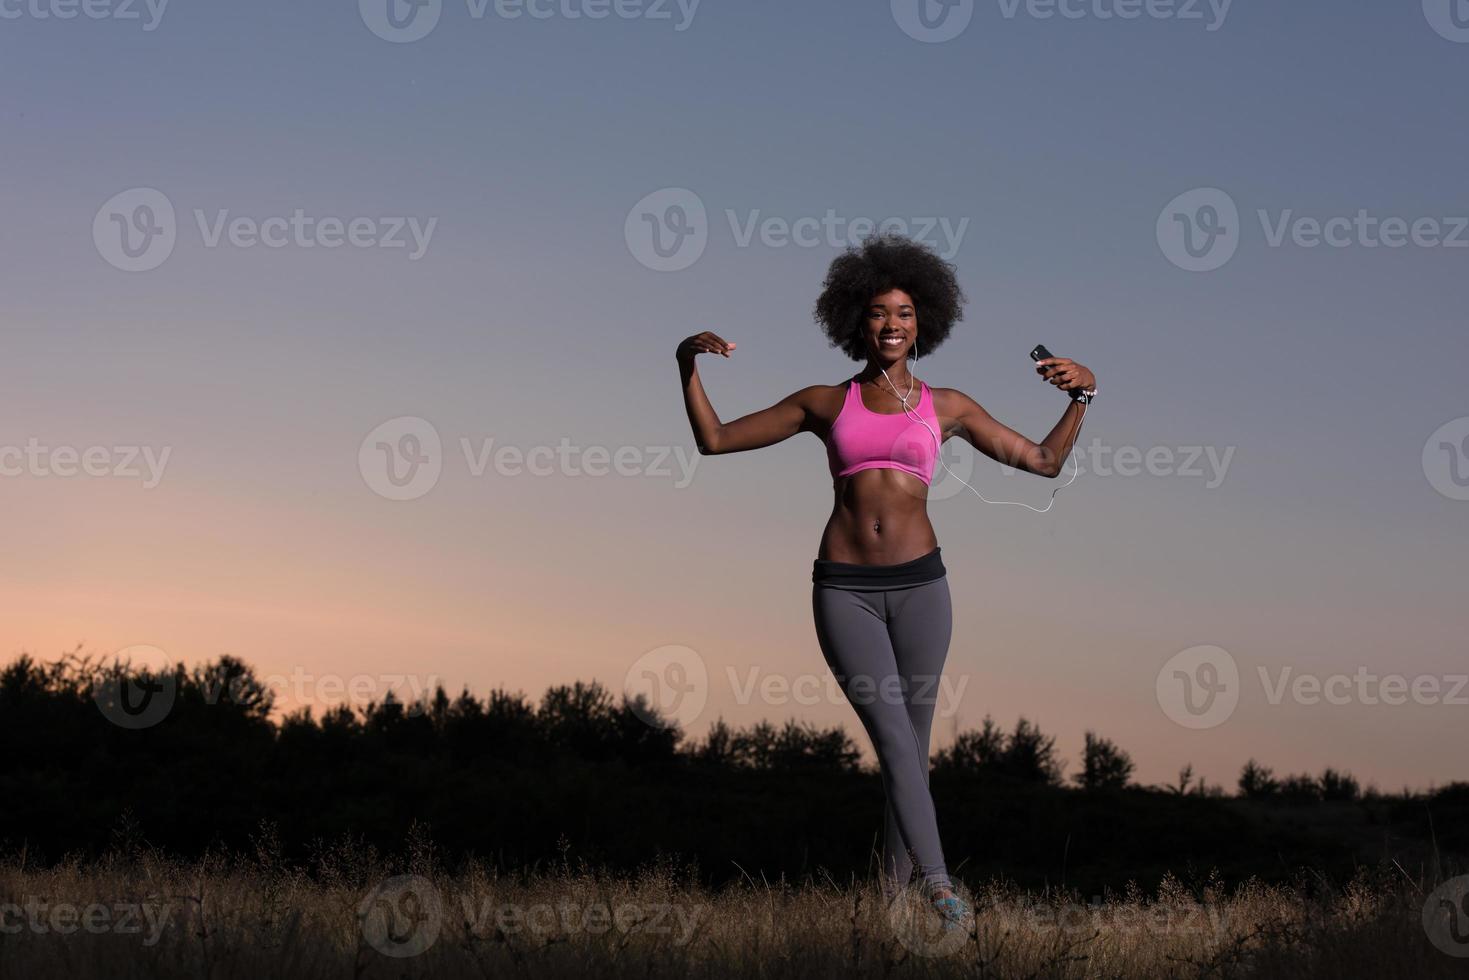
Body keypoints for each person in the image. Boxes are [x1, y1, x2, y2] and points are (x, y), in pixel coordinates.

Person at [674, 232, 1096, 925]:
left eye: (903, 312)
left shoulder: (949, 407)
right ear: (854, 322)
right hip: (844, 591)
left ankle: (885, 914)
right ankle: (938, 884)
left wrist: (1084, 395)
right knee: (895, 742)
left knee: (913, 756)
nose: (890, 323)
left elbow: (1044, 462)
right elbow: (714, 440)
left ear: (922, 320)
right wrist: (685, 363)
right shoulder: (821, 401)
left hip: (924, 589)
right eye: (877, 312)